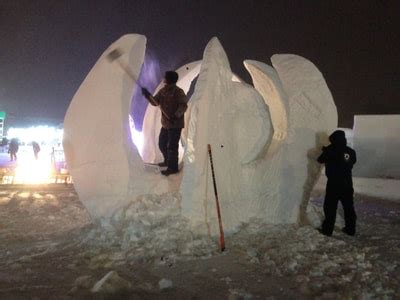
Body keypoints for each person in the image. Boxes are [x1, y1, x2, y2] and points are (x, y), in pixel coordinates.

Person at [141, 71, 188, 176]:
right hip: (166, 124)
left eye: (165, 77)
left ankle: (173, 168)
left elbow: (183, 105)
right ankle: (167, 161)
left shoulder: (178, 92)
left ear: (169, 79)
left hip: (175, 124)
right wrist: (147, 95)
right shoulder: (163, 91)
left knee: (172, 146)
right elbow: (155, 102)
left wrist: (176, 116)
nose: (163, 78)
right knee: (162, 144)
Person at [317, 130, 357, 236]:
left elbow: (320, 160)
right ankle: (351, 229)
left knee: (330, 207)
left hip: (333, 184)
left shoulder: (330, 150)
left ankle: (327, 230)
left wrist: (326, 150)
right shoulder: (351, 152)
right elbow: (352, 161)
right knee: (349, 207)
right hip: (347, 184)